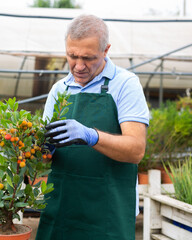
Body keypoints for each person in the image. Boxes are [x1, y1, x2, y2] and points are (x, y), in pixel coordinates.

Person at [36, 14, 149, 240]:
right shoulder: (60, 90)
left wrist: (92, 136)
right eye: (72, 56)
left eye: (88, 58)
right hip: (62, 206)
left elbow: (136, 150)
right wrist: (42, 149)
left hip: (108, 211)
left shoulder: (125, 84)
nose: (78, 66)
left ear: (106, 50)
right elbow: (43, 158)